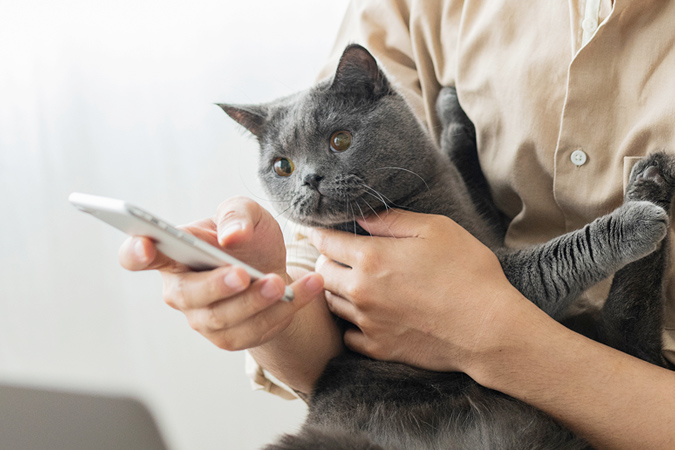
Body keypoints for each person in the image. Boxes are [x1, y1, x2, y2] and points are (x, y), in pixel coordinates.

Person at [119, 0, 675, 447]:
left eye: (338, 142)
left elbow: (488, 287)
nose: (307, 180)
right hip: (374, 413)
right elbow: (321, 338)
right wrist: (270, 296)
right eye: (284, 168)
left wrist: (483, 333)